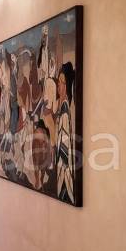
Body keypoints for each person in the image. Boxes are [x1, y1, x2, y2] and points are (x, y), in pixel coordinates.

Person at [55, 62, 76, 203]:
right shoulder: (62, 105)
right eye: (58, 82)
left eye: (62, 83)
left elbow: (65, 139)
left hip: (64, 163)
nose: (59, 86)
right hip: (62, 160)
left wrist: (61, 159)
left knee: (65, 190)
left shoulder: (64, 108)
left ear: (67, 85)